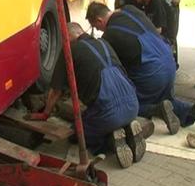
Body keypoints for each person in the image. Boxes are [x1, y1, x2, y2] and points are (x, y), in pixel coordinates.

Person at [86, 1, 195, 136]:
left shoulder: (109, 36)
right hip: (169, 62)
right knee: (165, 98)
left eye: (97, 27)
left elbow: (117, 70)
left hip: (153, 73)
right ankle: (192, 110)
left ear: (99, 20)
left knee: (129, 104)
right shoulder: (130, 9)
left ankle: (157, 110)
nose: (99, 31)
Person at [25, 22, 145, 168]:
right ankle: (128, 130)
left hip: (109, 115)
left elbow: (56, 90)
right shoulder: (104, 43)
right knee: (101, 114)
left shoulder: (69, 50)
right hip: (133, 105)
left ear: (68, 36)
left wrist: (46, 113)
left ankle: (111, 142)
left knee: (77, 135)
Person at [127, 0, 177, 67]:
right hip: (156, 35)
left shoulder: (156, 1)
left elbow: (158, 30)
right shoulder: (142, 2)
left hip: (165, 37)